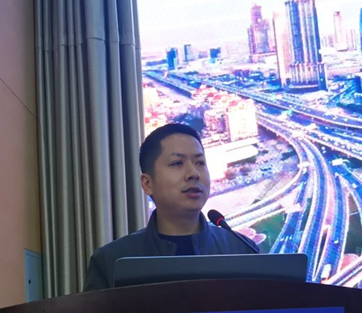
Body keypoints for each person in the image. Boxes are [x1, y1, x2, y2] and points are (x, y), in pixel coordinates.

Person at [83, 122, 259, 291]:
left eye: (200, 163)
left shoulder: (242, 251)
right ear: (147, 184)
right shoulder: (112, 262)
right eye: (177, 163)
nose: (193, 173)